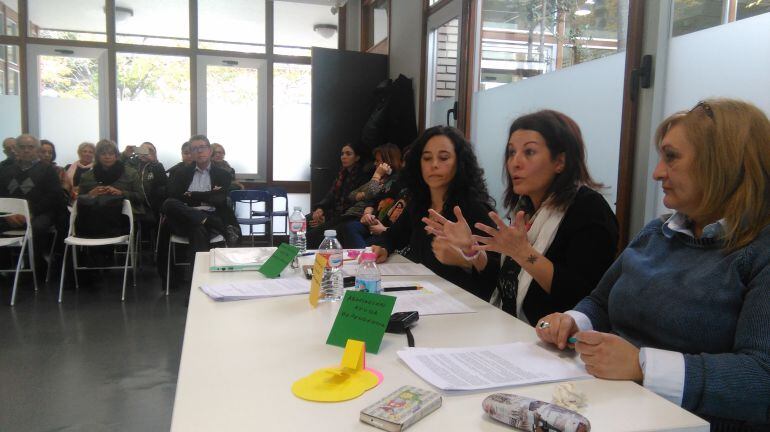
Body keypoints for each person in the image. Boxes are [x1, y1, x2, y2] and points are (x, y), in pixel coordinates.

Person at [535, 99, 770, 430]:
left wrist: (643, 366)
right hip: (606, 403)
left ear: (723, 162)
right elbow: (600, 301)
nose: (658, 172)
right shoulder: (656, 232)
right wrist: (574, 321)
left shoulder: (759, 251)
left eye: (671, 158)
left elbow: (762, 378)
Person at [423, 110, 618, 325]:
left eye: (529, 152)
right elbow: (502, 287)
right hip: (510, 330)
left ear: (560, 161)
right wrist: (471, 251)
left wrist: (522, 252)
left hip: (559, 346)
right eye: (511, 152)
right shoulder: (525, 208)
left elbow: (581, 297)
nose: (515, 162)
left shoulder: (589, 209)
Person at [371, 126, 499, 300]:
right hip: (420, 296)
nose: (434, 165)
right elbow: (393, 236)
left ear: (459, 163)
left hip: (461, 306)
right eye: (427, 158)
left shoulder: (472, 208)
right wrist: (383, 248)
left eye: (444, 158)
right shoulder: (419, 204)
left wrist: (469, 258)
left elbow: (496, 273)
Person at [162, 135, 240, 258]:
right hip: (185, 218)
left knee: (197, 227)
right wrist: (208, 195)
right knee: (169, 203)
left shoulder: (223, 174)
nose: (199, 151)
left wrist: (191, 195)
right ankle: (206, 221)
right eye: (194, 149)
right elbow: (175, 197)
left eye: (202, 147)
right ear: (191, 154)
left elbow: (218, 200)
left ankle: (195, 275)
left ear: (209, 151)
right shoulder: (181, 173)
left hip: (211, 214)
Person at [0, 134, 67, 276]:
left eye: (30, 147)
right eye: (22, 147)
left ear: (37, 150)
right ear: (16, 150)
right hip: (11, 215)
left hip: (39, 213)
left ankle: (37, 266)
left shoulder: (47, 170)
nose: (26, 151)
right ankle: (4, 266)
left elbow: (54, 196)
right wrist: (7, 215)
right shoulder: (5, 171)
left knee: (38, 227)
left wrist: (29, 213)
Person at [341, 143, 405, 248]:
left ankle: (366, 258)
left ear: (388, 163)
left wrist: (377, 175)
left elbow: (371, 193)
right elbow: (370, 197)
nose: (375, 164)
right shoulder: (382, 180)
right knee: (349, 227)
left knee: (367, 241)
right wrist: (368, 211)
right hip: (371, 219)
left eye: (378, 161)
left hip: (385, 225)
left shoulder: (397, 181)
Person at [78, 139, 145, 216]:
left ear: (116, 156)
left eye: (111, 154)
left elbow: (141, 197)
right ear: (97, 156)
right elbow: (79, 199)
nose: (107, 157)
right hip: (95, 216)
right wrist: (90, 194)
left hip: (123, 216)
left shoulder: (130, 173)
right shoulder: (87, 176)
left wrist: (122, 193)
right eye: (103, 154)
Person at [124, 142, 167, 221]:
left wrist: (154, 161)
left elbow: (164, 185)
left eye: (150, 150)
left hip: (151, 208)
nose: (146, 152)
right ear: (138, 151)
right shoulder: (130, 164)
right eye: (143, 149)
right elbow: (116, 167)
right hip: (133, 206)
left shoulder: (157, 166)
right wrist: (124, 155)